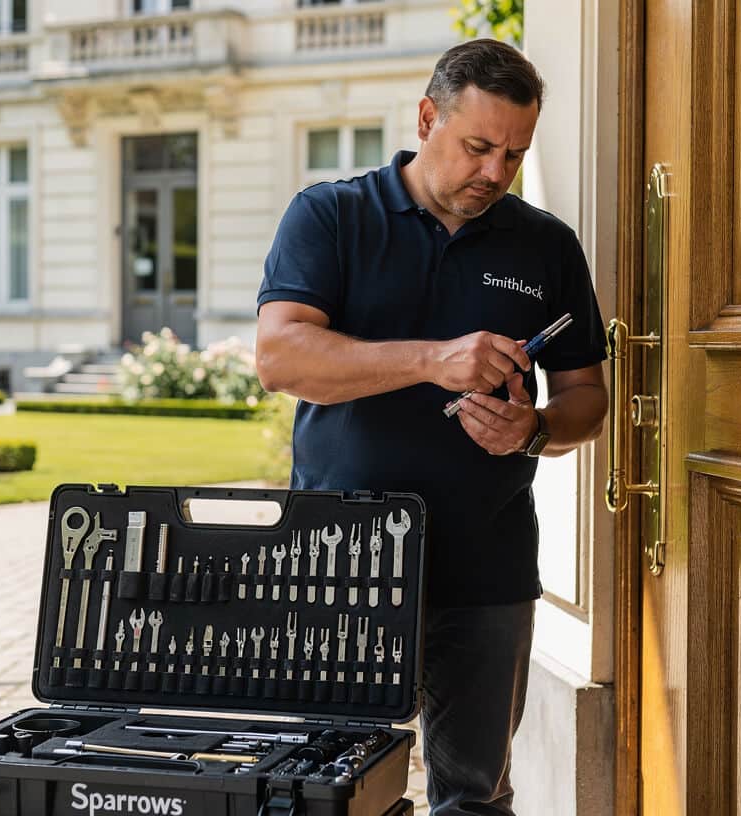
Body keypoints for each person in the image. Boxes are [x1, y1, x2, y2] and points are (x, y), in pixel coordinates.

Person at [254, 38, 608, 816]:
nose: (494, 172)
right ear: (427, 118)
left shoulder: (546, 245)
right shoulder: (333, 214)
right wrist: (431, 360)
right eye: (478, 146)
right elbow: (279, 357)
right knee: (331, 793)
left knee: (474, 797)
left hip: (487, 567)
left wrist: (536, 430)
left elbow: (588, 392)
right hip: (341, 561)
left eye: (514, 154)